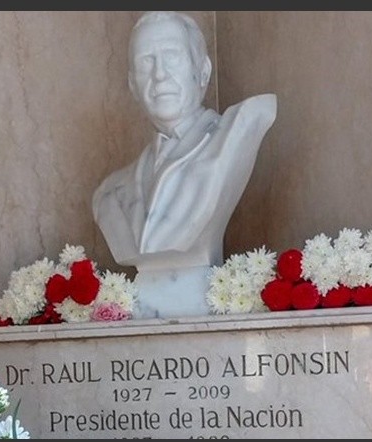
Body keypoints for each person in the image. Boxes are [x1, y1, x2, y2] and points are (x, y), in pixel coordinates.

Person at [92, 11, 277, 318]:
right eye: (146, 62)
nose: (160, 74)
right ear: (132, 85)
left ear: (202, 71)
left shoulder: (239, 131)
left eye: (172, 56)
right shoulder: (110, 193)